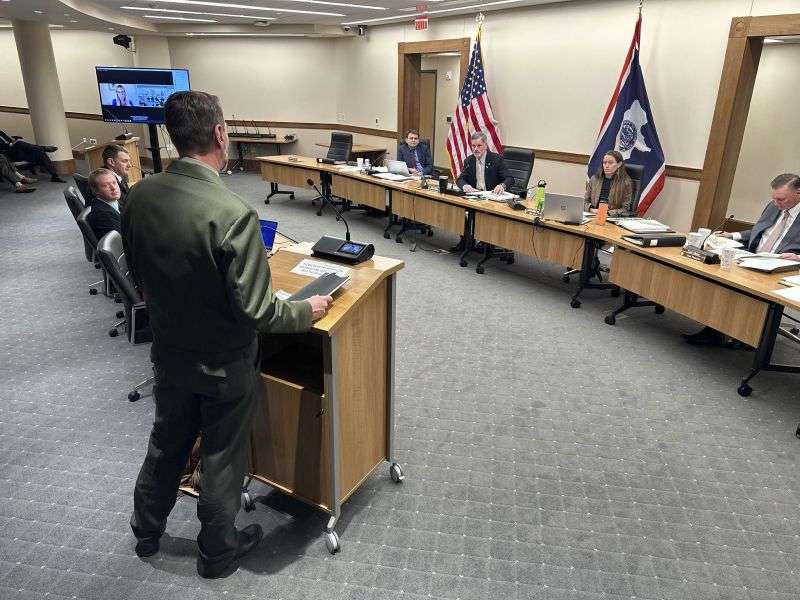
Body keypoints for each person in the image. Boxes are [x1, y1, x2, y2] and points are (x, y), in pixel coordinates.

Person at [122, 90, 332, 579]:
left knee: (166, 441)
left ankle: (146, 529)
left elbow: (141, 276)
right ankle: (217, 552)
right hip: (224, 364)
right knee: (220, 455)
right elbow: (260, 310)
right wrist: (305, 309)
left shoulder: (139, 195)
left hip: (169, 354)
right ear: (220, 134)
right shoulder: (232, 212)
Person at [684, 173, 800, 347]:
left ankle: (747, 335)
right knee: (718, 276)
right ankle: (717, 330)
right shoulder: (774, 206)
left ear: (798, 192)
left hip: (781, 266)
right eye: (774, 198)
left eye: (781, 199)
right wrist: (733, 235)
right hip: (753, 258)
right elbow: (760, 230)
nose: (776, 203)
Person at [0, 129, 65, 183]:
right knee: (19, 143)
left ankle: (55, 176)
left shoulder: (1, 132)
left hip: (16, 152)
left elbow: (10, 140)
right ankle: (43, 148)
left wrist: (13, 141)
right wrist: (10, 144)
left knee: (40, 153)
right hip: (5, 154)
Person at [584, 150, 634, 217]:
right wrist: (591, 210)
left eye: (610, 163)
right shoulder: (595, 179)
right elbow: (585, 201)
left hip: (611, 218)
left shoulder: (626, 182)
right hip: (592, 215)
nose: (606, 166)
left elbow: (625, 209)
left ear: (619, 164)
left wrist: (608, 213)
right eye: (604, 163)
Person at [86, 168, 122, 241]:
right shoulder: (104, 215)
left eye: (114, 183)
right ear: (96, 191)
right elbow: (123, 240)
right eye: (106, 185)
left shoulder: (113, 202)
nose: (113, 188)